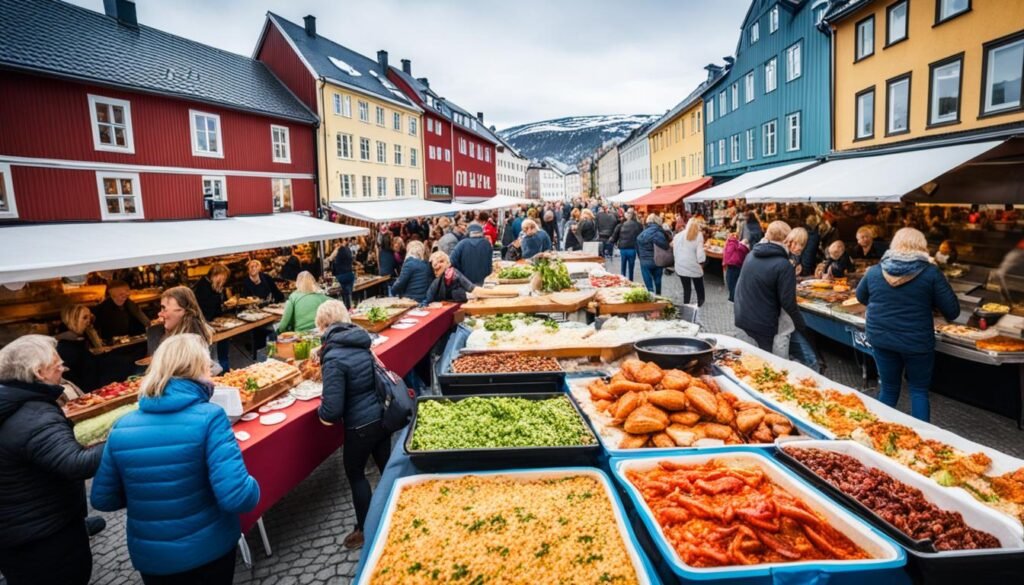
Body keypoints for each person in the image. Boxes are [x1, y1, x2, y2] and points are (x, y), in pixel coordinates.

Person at [91, 334, 259, 584]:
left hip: (152, 557)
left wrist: (149, 494)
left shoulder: (121, 426)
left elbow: (103, 498)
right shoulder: (210, 417)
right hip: (208, 548)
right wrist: (255, 484)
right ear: (199, 369)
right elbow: (237, 496)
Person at [0, 335, 105, 585]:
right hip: (43, 535)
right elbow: (77, 463)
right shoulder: (33, 415)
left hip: (19, 529)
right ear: (39, 372)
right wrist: (121, 436)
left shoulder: (14, 400)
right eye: (57, 363)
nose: (63, 367)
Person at [855, 228, 960, 422]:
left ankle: (878, 434)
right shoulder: (930, 273)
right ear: (922, 246)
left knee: (888, 389)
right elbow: (952, 311)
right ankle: (921, 442)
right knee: (918, 391)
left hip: (882, 338)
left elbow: (861, 296)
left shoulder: (876, 271)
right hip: (916, 341)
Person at [315, 301, 388, 549]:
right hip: (381, 415)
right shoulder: (361, 341)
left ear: (323, 326)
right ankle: (397, 512)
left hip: (359, 425)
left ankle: (365, 529)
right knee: (386, 468)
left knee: (356, 474)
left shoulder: (333, 356)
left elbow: (332, 411)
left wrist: (319, 410)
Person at [734, 221, 808, 353]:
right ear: (786, 239)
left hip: (743, 317)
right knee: (767, 364)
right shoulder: (784, 265)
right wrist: (801, 325)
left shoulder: (751, 255)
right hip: (764, 324)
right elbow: (788, 303)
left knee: (752, 361)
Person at [146, 286, 214, 357]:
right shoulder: (198, 335)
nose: (159, 314)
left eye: (164, 308)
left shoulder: (186, 343)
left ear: (183, 311)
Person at [55, 305, 104, 392]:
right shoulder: (66, 344)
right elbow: (73, 376)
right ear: (73, 320)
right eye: (84, 317)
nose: (88, 321)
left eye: (89, 317)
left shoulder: (80, 338)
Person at [673, 217, 706, 306]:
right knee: (699, 285)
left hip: (680, 265)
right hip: (693, 265)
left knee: (686, 287)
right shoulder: (699, 235)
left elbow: (675, 251)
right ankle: (700, 302)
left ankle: (686, 303)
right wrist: (702, 263)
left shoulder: (678, 235)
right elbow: (700, 255)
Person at [636, 213, 670, 294]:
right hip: (657, 260)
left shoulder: (642, 233)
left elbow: (637, 247)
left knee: (648, 282)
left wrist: (641, 258)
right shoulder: (659, 232)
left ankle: (651, 296)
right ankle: (658, 296)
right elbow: (665, 246)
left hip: (645, 261)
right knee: (658, 280)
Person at [610, 209, 642, 279]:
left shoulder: (621, 225)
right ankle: (630, 280)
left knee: (623, 266)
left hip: (623, 248)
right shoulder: (639, 225)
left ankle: (623, 279)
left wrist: (612, 242)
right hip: (632, 248)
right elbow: (641, 237)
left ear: (627, 215)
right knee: (631, 267)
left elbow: (614, 236)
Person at [326, 240, 356, 308]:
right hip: (350, 274)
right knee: (348, 295)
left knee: (341, 297)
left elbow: (330, 259)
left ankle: (344, 310)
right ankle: (349, 309)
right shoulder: (348, 249)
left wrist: (334, 251)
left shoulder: (337, 250)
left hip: (341, 276)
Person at [722, 232, 749, 302]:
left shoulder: (731, 243)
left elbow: (727, 254)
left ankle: (732, 298)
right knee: (735, 283)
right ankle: (734, 297)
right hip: (739, 265)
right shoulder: (741, 245)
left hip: (732, 265)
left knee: (730, 282)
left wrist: (724, 263)